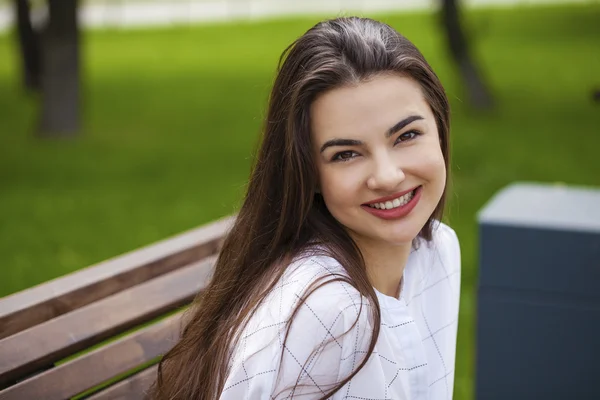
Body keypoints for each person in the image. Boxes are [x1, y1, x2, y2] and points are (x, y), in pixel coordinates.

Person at [152, 16, 461, 400]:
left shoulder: (436, 251)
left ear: (440, 127)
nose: (387, 175)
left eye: (407, 135)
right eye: (346, 153)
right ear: (309, 173)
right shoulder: (333, 313)